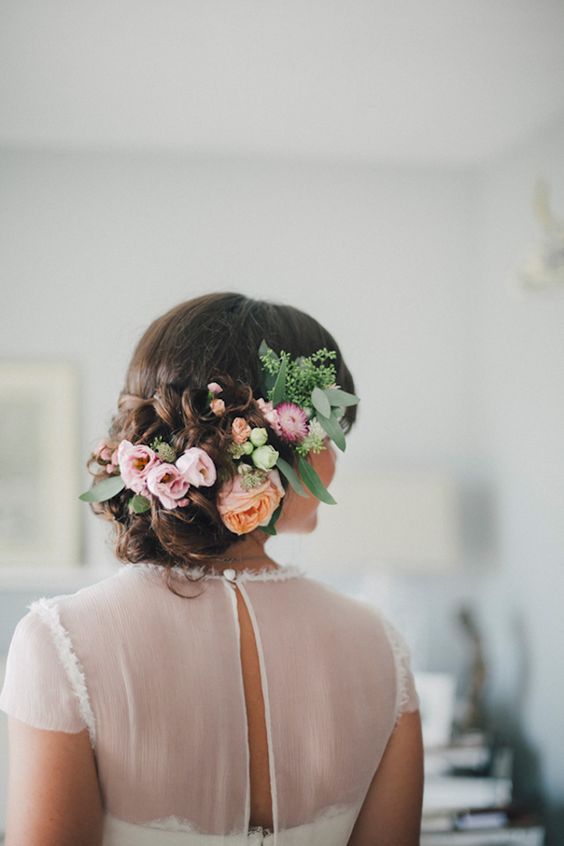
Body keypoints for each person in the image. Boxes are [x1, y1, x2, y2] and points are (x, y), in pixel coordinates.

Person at [0, 292, 423, 845]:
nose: (335, 460)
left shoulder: (60, 643)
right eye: (329, 430)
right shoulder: (380, 648)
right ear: (275, 441)